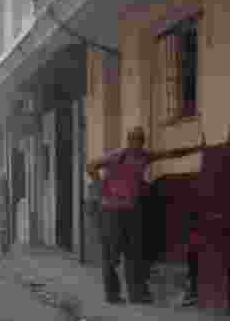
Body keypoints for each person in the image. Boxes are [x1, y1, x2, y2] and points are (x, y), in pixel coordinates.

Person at [87, 125, 207, 305]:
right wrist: (101, 188)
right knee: (111, 255)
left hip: (132, 210)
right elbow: (91, 165)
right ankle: (112, 295)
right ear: (129, 140)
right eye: (135, 139)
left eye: (141, 139)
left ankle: (137, 295)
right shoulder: (119, 155)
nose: (139, 143)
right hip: (112, 211)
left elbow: (170, 154)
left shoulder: (144, 156)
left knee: (134, 254)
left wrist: (196, 149)